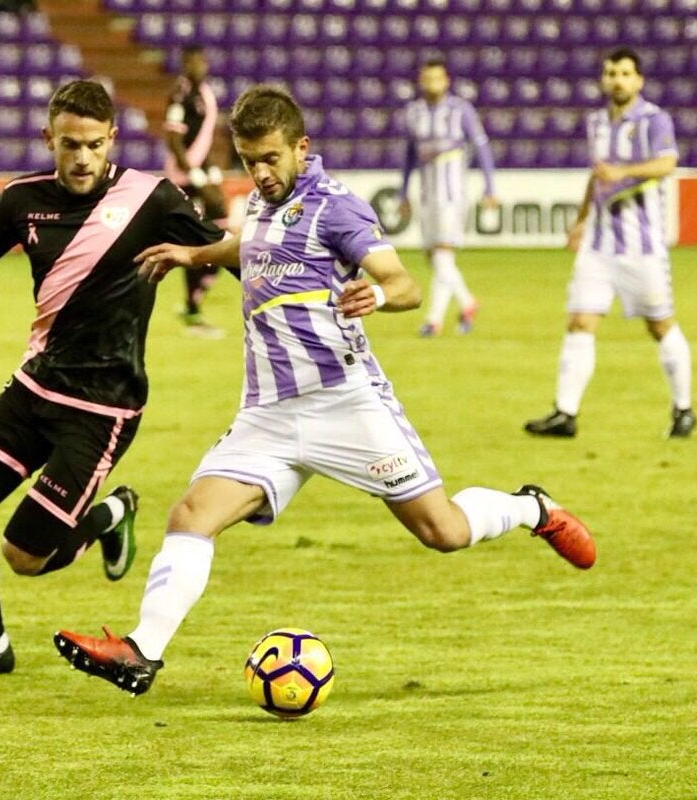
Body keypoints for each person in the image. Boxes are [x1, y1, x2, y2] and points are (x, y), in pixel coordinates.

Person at [53, 85, 597, 697]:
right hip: (267, 414)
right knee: (191, 514)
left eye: (270, 159)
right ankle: (141, 652)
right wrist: (193, 253)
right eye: (248, 160)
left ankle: (532, 508)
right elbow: (249, 245)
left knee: (441, 531)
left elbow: (404, 282)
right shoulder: (258, 203)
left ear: (301, 148)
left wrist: (380, 295)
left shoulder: (338, 207)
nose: (259, 173)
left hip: (346, 404)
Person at [0, 79, 227, 676]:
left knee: (26, 556)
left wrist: (285, 293)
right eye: (69, 145)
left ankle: (108, 516)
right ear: (49, 140)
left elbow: (224, 249)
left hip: (104, 408)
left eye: (92, 144)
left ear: (111, 138)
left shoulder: (152, 199)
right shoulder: (21, 199)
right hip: (34, 388)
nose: (82, 157)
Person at [524, 47, 695, 439]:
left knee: (660, 325)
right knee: (580, 321)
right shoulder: (596, 123)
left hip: (642, 247)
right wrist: (581, 221)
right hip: (598, 246)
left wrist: (623, 171)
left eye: (624, 73)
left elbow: (667, 163)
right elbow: (597, 176)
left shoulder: (654, 120)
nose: (616, 79)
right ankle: (565, 414)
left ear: (638, 80)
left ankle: (683, 408)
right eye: (610, 73)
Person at [398, 58, 497, 338]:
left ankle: (433, 320)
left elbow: (482, 146)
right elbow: (408, 156)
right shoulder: (413, 112)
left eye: (437, 78)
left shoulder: (461, 110)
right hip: (427, 193)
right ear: (421, 81)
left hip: (452, 193)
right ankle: (467, 303)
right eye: (427, 79)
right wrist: (403, 192)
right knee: (434, 256)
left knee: (442, 254)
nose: (432, 84)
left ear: (447, 81)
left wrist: (490, 186)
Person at [164, 45, 229, 339]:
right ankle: (193, 305)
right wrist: (196, 176)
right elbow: (174, 140)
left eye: (201, 60)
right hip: (184, 176)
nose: (198, 66)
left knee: (220, 222)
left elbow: (206, 138)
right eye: (192, 61)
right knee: (199, 234)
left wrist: (212, 171)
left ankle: (198, 291)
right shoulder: (181, 93)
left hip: (199, 172)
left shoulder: (205, 93)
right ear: (184, 64)